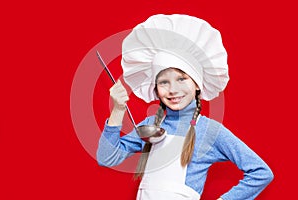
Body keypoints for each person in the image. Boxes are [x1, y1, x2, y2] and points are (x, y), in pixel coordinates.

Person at [97, 14, 273, 200]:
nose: (173, 90)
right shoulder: (151, 126)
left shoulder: (209, 131)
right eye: (164, 82)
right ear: (155, 89)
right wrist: (118, 110)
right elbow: (107, 158)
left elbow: (261, 173)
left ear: (197, 84)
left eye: (181, 79)